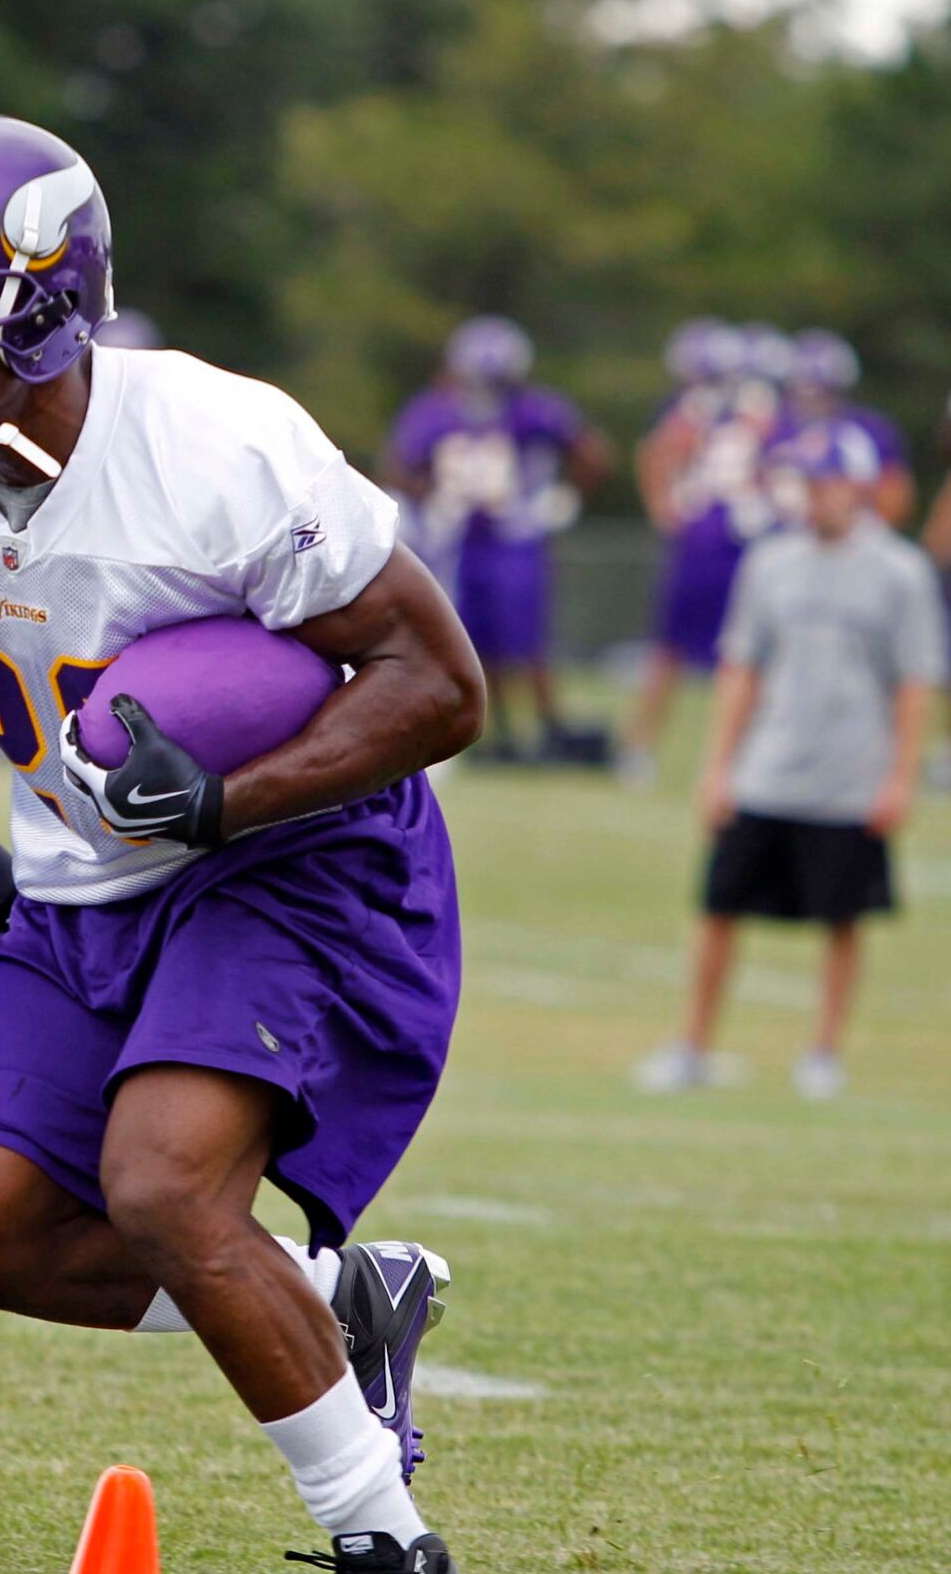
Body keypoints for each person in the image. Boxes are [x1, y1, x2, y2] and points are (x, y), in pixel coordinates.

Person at [0, 113, 487, 1574]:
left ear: (49, 302)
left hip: (293, 854)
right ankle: (337, 1297)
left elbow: (438, 685)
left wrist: (233, 793)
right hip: (83, 871)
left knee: (166, 1184)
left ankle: (395, 1558)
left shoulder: (217, 449)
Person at [640, 425, 943, 1099]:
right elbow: (741, 669)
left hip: (849, 777)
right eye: (801, 483)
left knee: (842, 919)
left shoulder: (901, 572)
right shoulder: (770, 562)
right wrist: (718, 767)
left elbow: (915, 684)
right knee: (719, 908)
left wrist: (899, 778)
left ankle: (823, 1053)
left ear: (858, 487)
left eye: (822, 483)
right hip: (768, 768)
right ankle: (693, 1046)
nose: (809, 498)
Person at [384, 316, 608, 762]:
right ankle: (497, 728)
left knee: (526, 636)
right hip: (459, 542)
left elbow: (591, 453)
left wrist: (562, 498)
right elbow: (397, 465)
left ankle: (549, 726)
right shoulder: (434, 410)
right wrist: (431, 502)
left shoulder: (533, 409)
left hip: (515, 538)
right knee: (473, 638)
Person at [619, 320, 786, 785]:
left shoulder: (759, 413)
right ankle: (639, 748)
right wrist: (665, 507)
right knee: (670, 651)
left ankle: (745, 754)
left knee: (754, 655)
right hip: (709, 541)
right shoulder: (701, 411)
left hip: (746, 544)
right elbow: (659, 453)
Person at [780, 331, 913, 529]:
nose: (812, 402)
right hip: (785, 544)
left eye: (823, 392)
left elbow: (895, 499)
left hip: (855, 539)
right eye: (804, 391)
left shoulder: (872, 431)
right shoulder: (775, 428)